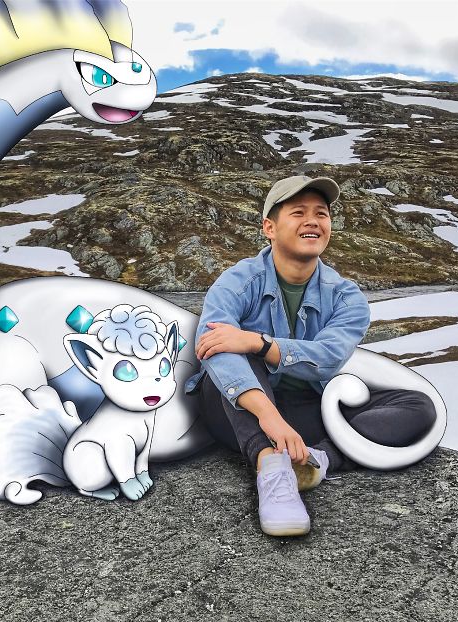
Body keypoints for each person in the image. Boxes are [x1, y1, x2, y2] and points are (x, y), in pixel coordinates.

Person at [185, 175, 437, 536]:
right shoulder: (236, 281)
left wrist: (260, 342)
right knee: (232, 355)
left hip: (305, 414)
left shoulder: (347, 297)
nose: (312, 221)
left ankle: (315, 461)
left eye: (321, 213)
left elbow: (328, 358)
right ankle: (271, 468)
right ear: (269, 228)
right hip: (241, 415)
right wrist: (268, 415)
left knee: (418, 408)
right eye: (298, 212)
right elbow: (212, 349)